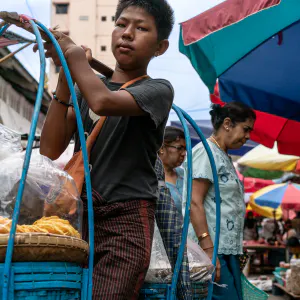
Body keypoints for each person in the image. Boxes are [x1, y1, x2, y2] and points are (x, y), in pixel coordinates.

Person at [37, 0, 175, 298]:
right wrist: (65, 76)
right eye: (121, 24)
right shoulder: (89, 87)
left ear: (160, 47)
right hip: (80, 219)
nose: (127, 34)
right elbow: (49, 148)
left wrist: (74, 56)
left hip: (125, 226)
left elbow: (103, 102)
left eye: (141, 28)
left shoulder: (158, 90)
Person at [182, 102, 256, 300]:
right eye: (246, 129)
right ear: (227, 123)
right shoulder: (206, 152)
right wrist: (208, 251)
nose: (248, 136)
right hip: (210, 250)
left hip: (224, 249)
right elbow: (194, 202)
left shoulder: (223, 156)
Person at [159, 126, 186, 215]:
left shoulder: (184, 174)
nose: (184, 153)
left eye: (185, 149)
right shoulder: (151, 178)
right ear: (162, 148)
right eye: (179, 148)